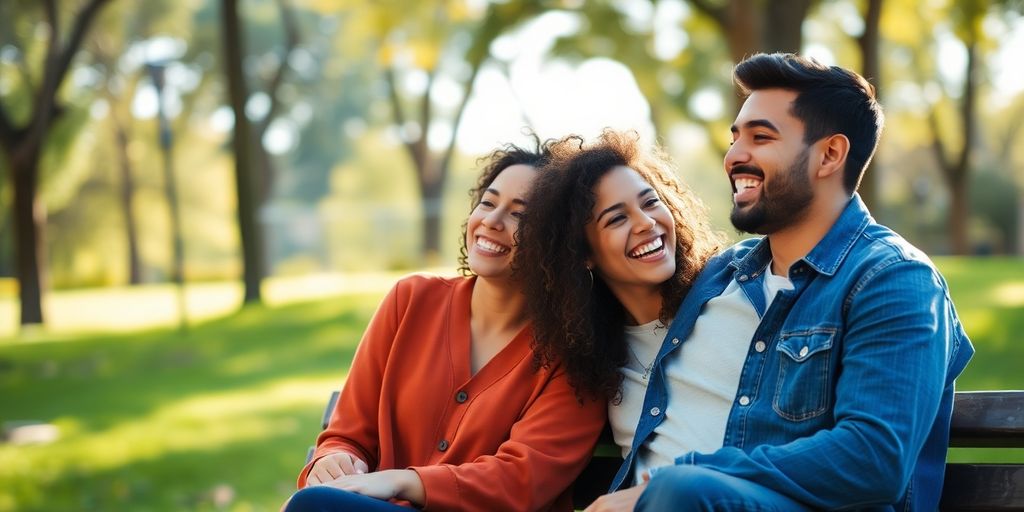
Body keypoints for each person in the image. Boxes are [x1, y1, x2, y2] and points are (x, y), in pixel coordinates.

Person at [589, 53, 975, 511]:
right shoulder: (725, 276)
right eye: (735, 138)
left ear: (829, 154)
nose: (735, 156)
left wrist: (667, 485)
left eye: (761, 138)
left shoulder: (894, 279)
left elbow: (873, 459)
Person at [284, 140, 606, 512]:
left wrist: (404, 480)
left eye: (521, 215)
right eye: (488, 202)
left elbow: (522, 481)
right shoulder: (410, 301)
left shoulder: (575, 352)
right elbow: (348, 434)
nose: (492, 221)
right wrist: (334, 459)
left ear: (560, 243)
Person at [514, 129, 723, 460]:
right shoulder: (597, 363)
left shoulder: (732, 299)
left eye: (651, 202)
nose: (645, 223)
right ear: (584, 254)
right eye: (616, 219)